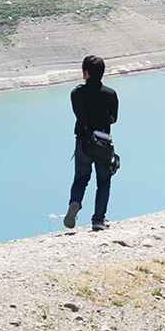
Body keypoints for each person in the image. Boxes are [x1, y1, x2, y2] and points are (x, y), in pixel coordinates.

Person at [64, 55, 117, 232]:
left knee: (80, 179)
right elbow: (114, 118)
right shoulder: (110, 94)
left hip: (83, 141)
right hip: (102, 143)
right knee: (103, 181)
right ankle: (98, 220)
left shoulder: (76, 93)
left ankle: (75, 202)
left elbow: (78, 114)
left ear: (85, 73)